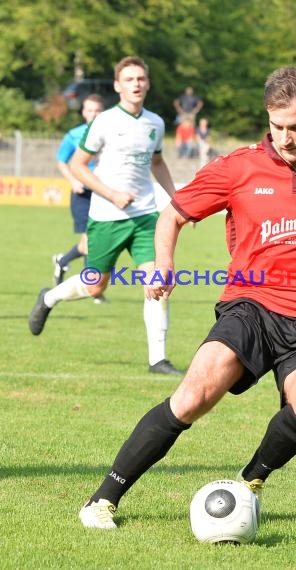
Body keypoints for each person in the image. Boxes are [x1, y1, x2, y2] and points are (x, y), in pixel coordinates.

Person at [77, 65, 296, 529]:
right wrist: (163, 265)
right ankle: (104, 499)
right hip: (251, 305)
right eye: (277, 126)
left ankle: (248, 484)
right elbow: (173, 216)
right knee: (194, 395)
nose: (285, 137)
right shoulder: (238, 167)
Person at [28, 55, 182, 376]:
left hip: (145, 217)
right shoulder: (105, 122)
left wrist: (177, 200)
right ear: (117, 86)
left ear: (148, 83)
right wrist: (111, 194)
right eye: (129, 79)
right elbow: (77, 165)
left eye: (140, 78)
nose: (136, 84)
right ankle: (50, 297)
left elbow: (157, 164)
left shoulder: (156, 123)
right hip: (107, 217)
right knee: (96, 286)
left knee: (158, 282)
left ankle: (158, 360)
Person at [53, 94, 104, 289]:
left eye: (97, 110)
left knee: (91, 242)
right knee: (89, 240)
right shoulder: (74, 135)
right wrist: (73, 180)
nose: (94, 114)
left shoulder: (109, 134)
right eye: (90, 110)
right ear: (84, 112)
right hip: (82, 193)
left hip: (103, 193)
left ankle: (63, 260)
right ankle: (92, 288)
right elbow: (61, 161)